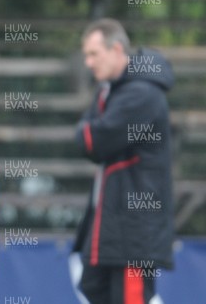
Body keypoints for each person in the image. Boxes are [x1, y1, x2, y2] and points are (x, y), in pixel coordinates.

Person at [72, 18, 175, 303]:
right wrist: (89, 129)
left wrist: (89, 129)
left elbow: (94, 141)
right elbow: (88, 134)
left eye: (94, 54)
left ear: (116, 49)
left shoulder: (142, 93)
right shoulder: (110, 88)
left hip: (134, 233)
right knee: (92, 287)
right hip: (110, 227)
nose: (89, 63)